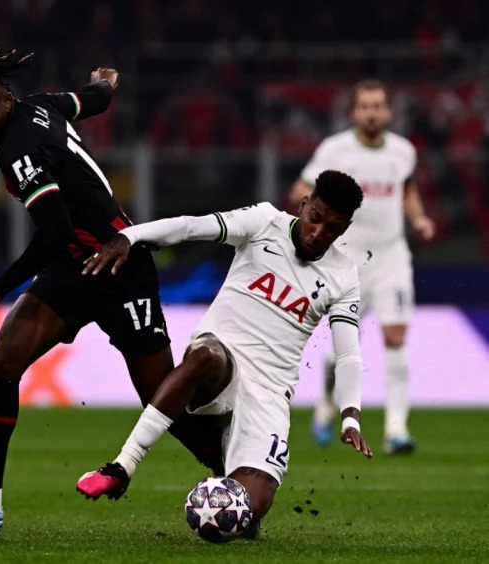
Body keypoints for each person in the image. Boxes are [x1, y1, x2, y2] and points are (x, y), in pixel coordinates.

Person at [0, 42, 215, 535]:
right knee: (1, 364)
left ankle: (238, 475)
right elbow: (93, 101)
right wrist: (105, 82)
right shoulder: (42, 104)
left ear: (5, 102)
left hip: (120, 265)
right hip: (72, 269)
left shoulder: (19, 146)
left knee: (161, 397)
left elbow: (56, 230)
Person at [76, 170, 374, 539]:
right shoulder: (264, 222)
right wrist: (129, 236)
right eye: (316, 219)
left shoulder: (343, 276)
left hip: (268, 393)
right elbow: (189, 227)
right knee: (204, 355)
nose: (318, 234)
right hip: (222, 359)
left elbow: (348, 354)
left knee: (246, 511)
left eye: (332, 228)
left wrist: (351, 417)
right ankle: (122, 467)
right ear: (304, 204)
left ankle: (233, 490)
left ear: (344, 230)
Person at [288, 80, 435, 454]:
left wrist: (418, 219)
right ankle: (324, 407)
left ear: (388, 111)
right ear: (354, 112)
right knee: (339, 350)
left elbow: (408, 189)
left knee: (396, 338)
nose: (372, 112)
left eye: (378, 106)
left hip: (391, 259)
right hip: (347, 262)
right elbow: (300, 191)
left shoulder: (403, 151)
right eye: (365, 106)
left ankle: (396, 430)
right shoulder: (335, 150)